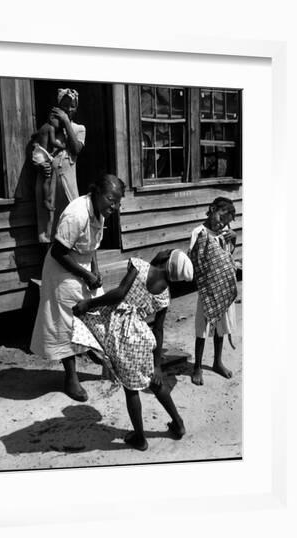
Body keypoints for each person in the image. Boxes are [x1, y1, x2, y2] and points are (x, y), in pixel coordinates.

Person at [71, 249, 194, 451]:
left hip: (122, 334)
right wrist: (157, 366)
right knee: (154, 382)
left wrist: (89, 303)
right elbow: (158, 329)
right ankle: (178, 423)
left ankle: (139, 437)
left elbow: (119, 294)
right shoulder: (165, 296)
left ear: (166, 259)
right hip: (143, 339)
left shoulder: (140, 266)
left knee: (130, 389)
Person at [30, 174, 125, 402]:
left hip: (82, 267)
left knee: (97, 313)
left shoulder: (100, 211)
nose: (115, 206)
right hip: (62, 271)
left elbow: (91, 246)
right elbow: (58, 252)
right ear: (98, 193)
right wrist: (86, 274)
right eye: (112, 200)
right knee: (66, 324)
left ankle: (104, 361)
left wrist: (95, 270)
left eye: (118, 201)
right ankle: (70, 378)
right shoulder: (77, 214)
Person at [189, 196, 238, 386]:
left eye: (225, 223)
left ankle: (217, 362)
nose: (221, 225)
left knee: (221, 327)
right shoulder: (199, 232)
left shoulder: (225, 232)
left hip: (224, 287)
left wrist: (233, 238)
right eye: (220, 218)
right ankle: (197, 367)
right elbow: (194, 258)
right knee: (203, 327)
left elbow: (227, 255)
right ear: (212, 209)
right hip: (208, 289)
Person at [34, 88, 86, 243]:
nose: (68, 110)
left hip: (67, 179)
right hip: (49, 178)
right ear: (57, 107)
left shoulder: (78, 128)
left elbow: (76, 149)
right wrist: (39, 165)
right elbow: (36, 151)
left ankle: (72, 253)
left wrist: (65, 122)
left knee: (73, 214)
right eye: (64, 106)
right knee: (48, 219)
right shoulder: (49, 127)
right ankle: (48, 257)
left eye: (72, 106)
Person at [31, 111, 66, 241]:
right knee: (47, 178)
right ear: (52, 118)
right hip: (42, 155)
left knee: (47, 177)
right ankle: (46, 200)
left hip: (38, 151)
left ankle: (46, 200)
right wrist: (62, 145)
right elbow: (52, 141)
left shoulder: (42, 128)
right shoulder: (51, 127)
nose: (58, 127)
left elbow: (33, 136)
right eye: (59, 123)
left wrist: (37, 142)